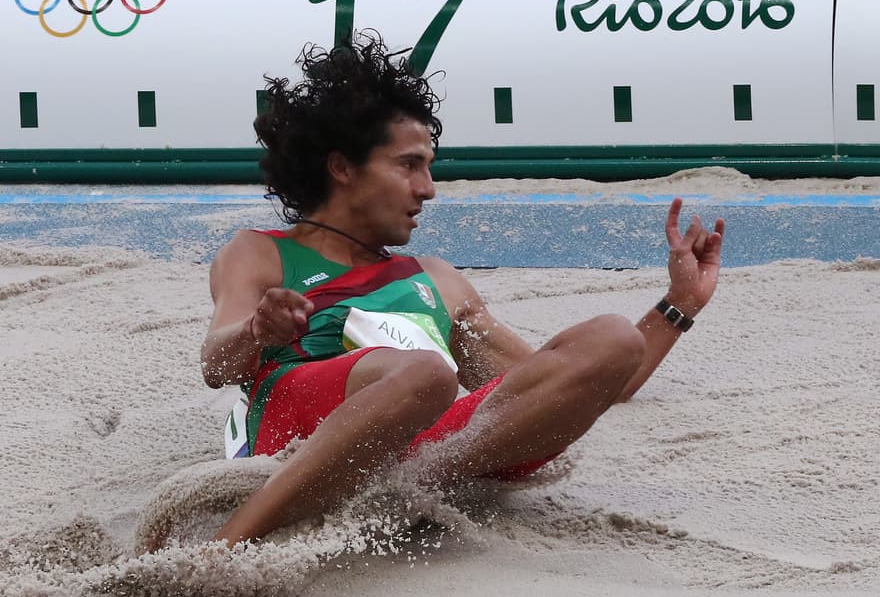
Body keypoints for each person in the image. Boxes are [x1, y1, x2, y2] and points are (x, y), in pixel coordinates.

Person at [188, 31, 725, 549]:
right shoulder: (262, 251)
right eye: (409, 165)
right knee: (425, 371)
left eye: (428, 167)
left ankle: (409, 487)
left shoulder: (436, 278)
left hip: (429, 447)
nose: (428, 188)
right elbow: (218, 366)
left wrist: (679, 304)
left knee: (612, 339)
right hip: (298, 436)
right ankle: (227, 545)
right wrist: (258, 329)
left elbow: (576, 384)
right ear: (342, 167)